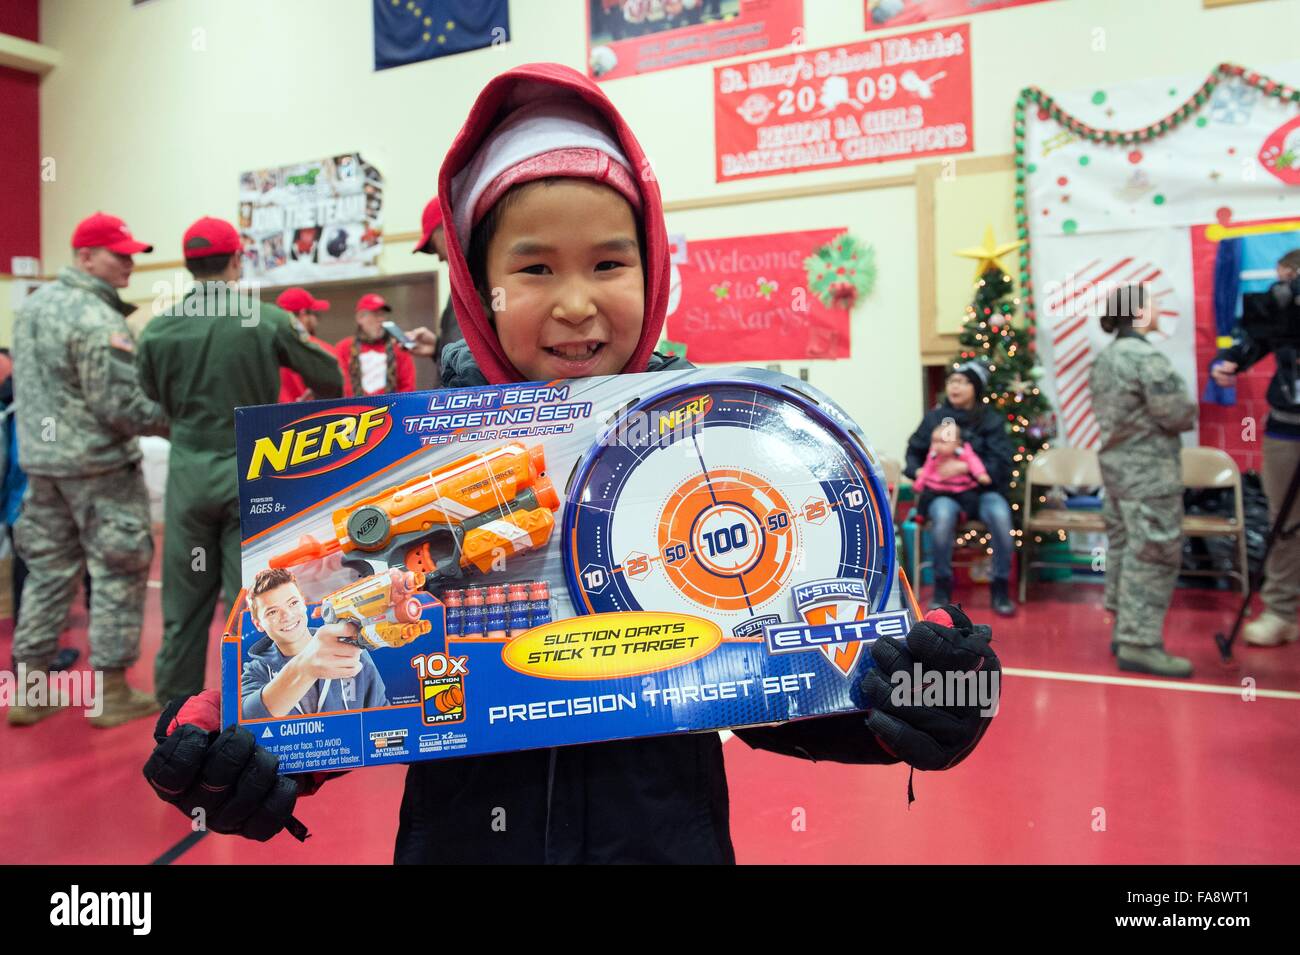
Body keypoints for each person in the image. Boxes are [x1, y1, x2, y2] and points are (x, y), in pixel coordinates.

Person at [144, 62, 999, 862]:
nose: (577, 301)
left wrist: (915, 705)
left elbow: (779, 676)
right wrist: (230, 756)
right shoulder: (411, 448)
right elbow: (334, 677)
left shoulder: (708, 442)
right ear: (480, 288)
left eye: (609, 262)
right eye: (535, 267)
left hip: (665, 842)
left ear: (654, 265)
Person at [137, 216, 345, 706]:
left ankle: (177, 717)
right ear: (237, 259)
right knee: (253, 600)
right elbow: (331, 375)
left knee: (183, 604)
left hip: (187, 473)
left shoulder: (158, 330)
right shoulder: (266, 320)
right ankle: (248, 707)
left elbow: (149, 396)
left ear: (188, 265)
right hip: (251, 473)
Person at [9, 212, 168, 727]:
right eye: (118, 254)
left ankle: (29, 691)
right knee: (119, 569)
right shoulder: (99, 319)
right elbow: (120, 405)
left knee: (49, 573)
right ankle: (112, 693)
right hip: (99, 468)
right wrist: (177, 423)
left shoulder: (34, 309)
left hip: (42, 464)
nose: (128, 264)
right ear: (84, 256)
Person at [1091, 284, 1197, 678]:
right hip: (1149, 474)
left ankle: (1124, 629)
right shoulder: (1145, 357)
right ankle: (1139, 643)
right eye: (1152, 304)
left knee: (1124, 547)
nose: (1157, 309)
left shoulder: (1105, 359)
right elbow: (1177, 414)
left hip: (1118, 471)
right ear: (1137, 312)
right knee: (1153, 552)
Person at [1210, 248, 1300, 647]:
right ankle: (1281, 611)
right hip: (1286, 426)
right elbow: (1257, 338)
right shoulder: (1283, 307)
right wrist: (1229, 361)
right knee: (1284, 521)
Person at [904, 361, 1017, 615]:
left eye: (963, 382)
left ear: (975, 388)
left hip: (983, 492)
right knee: (942, 519)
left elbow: (1002, 463)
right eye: (952, 381)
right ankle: (942, 588)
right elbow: (913, 452)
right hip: (945, 493)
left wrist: (966, 468)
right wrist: (918, 471)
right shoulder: (935, 418)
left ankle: (1000, 588)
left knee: (1001, 518)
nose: (955, 386)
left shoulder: (990, 420)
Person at [240, 568, 387, 720]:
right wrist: (307, 667)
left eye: (293, 603)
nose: (287, 616)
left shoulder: (349, 649)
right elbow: (247, 715)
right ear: (258, 624)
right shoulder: (255, 673)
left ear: (304, 603)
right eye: (272, 612)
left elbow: (383, 715)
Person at [409, 196, 464, 370]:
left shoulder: (476, 282)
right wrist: (438, 347)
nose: (439, 257)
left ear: (448, 228)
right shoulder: (464, 282)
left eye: (433, 246)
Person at [332, 294, 416, 396]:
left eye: (383, 315)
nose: (381, 319)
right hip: (352, 409)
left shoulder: (398, 347)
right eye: (375, 314)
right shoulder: (343, 348)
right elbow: (339, 385)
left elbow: (407, 387)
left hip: (392, 408)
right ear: (360, 318)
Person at [911, 419, 993, 519]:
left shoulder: (962, 453)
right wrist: (919, 484)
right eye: (934, 441)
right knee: (925, 497)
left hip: (961, 487)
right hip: (937, 487)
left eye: (943, 442)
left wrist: (981, 474)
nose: (937, 446)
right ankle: (920, 515)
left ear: (957, 443)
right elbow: (927, 470)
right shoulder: (934, 455)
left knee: (971, 499)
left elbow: (974, 463)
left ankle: (965, 515)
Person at [274, 287, 334, 402]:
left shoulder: (267, 350)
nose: (317, 320)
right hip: (315, 417)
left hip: (275, 417)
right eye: (315, 314)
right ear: (303, 314)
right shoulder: (323, 350)